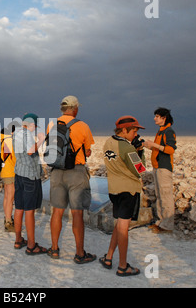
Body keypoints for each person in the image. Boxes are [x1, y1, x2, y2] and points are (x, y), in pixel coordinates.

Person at [47, 96, 96, 263]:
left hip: (57, 171)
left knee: (57, 211)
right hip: (76, 172)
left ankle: (54, 249)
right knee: (77, 213)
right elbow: (88, 151)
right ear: (75, 108)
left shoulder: (52, 124)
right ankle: (80, 253)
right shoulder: (82, 125)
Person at [100, 115, 147, 276]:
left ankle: (108, 257)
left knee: (119, 225)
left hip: (114, 189)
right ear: (124, 130)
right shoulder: (127, 148)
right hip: (129, 190)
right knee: (123, 228)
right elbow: (140, 170)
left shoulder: (108, 142)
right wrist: (139, 152)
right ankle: (122, 265)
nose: (135, 134)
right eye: (134, 130)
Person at [13, 113, 47, 255]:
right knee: (29, 210)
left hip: (19, 173)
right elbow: (30, 151)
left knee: (19, 208)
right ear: (31, 124)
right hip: (29, 176)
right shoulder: (26, 134)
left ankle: (18, 239)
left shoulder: (16, 134)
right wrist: (41, 140)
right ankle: (32, 245)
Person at [144, 108, 177, 234]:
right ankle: (160, 222)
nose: (155, 118)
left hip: (164, 168)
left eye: (157, 116)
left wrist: (154, 145)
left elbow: (170, 149)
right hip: (157, 167)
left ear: (164, 118)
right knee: (159, 195)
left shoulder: (168, 132)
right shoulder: (161, 131)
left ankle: (167, 225)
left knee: (165, 196)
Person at [0, 122, 20, 232]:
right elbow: (14, 158)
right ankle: (8, 222)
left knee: (7, 197)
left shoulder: (2, 140)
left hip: (5, 171)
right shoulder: (9, 141)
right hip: (10, 172)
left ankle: (7, 218)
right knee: (10, 198)